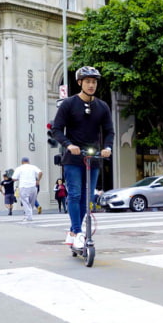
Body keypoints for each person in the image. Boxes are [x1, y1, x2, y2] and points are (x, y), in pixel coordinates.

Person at [51, 66, 114, 247]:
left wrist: (107, 147)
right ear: (80, 83)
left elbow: (109, 131)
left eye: (94, 82)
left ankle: (73, 230)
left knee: (88, 197)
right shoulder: (69, 104)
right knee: (75, 195)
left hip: (93, 158)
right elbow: (56, 129)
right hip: (73, 158)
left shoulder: (102, 107)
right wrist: (69, 145)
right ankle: (78, 232)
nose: (91, 85)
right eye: (87, 81)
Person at [12, 157, 43, 222]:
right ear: (29, 161)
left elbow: (14, 178)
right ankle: (29, 215)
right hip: (33, 186)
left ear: (22, 162)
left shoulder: (19, 168)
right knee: (32, 202)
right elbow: (40, 172)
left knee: (25, 202)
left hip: (23, 186)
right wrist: (38, 180)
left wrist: (18, 178)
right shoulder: (33, 167)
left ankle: (29, 216)